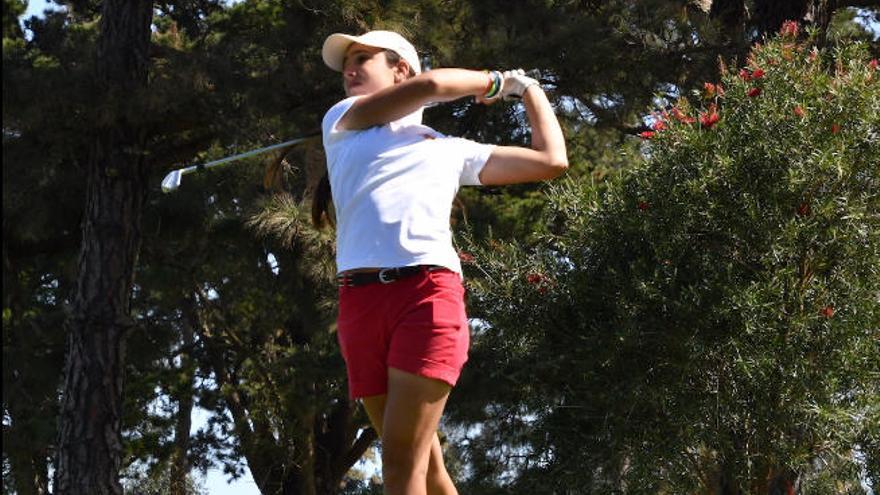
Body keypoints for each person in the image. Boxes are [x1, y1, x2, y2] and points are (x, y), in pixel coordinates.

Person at [317, 30, 568, 495]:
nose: (349, 69)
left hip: (426, 297)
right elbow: (431, 87)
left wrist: (531, 91)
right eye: (347, 62)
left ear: (400, 69)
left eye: (362, 57)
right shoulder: (342, 121)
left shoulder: (448, 150)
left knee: (399, 464)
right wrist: (497, 83)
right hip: (359, 304)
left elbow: (551, 160)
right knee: (425, 471)